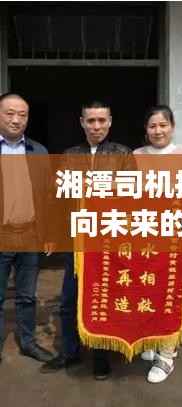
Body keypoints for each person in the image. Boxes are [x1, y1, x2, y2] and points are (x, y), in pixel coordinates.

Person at [40, 100, 132, 379]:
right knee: (70, 300)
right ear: (82, 122)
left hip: (109, 240)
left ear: (110, 122)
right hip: (76, 241)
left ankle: (101, 356)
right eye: (91, 121)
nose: (96, 126)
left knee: (103, 299)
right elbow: (58, 198)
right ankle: (70, 352)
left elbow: (134, 194)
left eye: (101, 120)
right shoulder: (70, 155)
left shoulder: (123, 154)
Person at [133, 105, 182, 383]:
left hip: (174, 241)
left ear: (172, 126)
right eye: (152, 126)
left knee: (169, 295)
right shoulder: (136, 155)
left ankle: (167, 355)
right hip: (143, 237)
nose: (158, 131)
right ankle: (151, 339)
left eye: (163, 125)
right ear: (146, 130)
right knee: (146, 290)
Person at [0, 93, 55, 364]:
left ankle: (28, 342)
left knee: (26, 296)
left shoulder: (38, 151)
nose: (16, 120)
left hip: (29, 234)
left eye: (22, 115)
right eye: (9, 113)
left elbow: (47, 196)